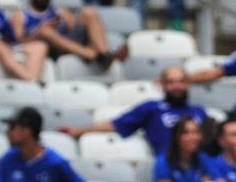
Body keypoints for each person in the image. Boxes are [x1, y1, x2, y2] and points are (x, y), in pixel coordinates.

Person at [60, 66, 208, 158]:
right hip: (168, 168)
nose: (177, 86)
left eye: (181, 81)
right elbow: (116, 124)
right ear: (161, 84)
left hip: (201, 167)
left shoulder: (199, 111)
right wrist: (79, 131)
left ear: (188, 83)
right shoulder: (151, 108)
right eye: (171, 82)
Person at [10, 0, 123, 69]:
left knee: (89, 12)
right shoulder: (20, 15)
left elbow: (75, 33)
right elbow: (18, 42)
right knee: (45, 32)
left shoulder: (62, 12)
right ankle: (94, 56)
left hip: (67, 46)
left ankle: (104, 54)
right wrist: (38, 31)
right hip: (48, 51)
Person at [152, 118, 221, 182]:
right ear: (176, 137)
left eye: (196, 132)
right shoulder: (163, 162)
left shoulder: (204, 160)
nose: (193, 137)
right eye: (186, 133)